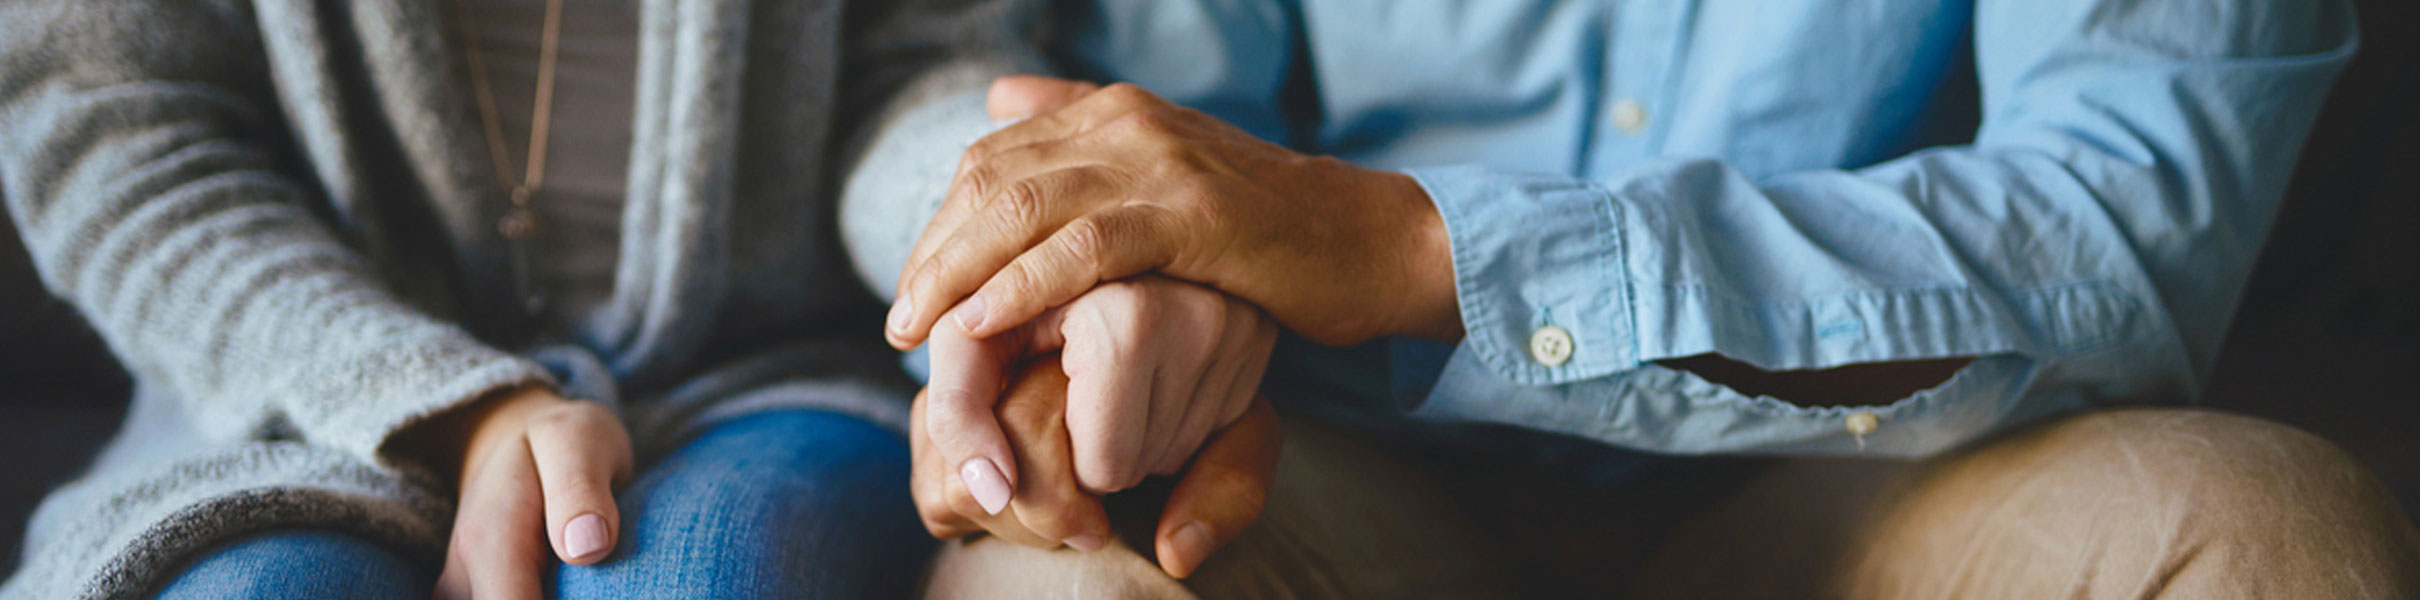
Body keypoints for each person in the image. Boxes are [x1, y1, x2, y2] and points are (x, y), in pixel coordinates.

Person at [841, 0, 2420, 596]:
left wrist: (1407, 248)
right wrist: (1112, 322)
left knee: (2264, 536)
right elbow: (1140, 127)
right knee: (1065, 579)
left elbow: (2121, 235)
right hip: (1327, 461)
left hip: (1873, 479)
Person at [0, 0, 1035, 597]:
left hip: (764, 365)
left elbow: (921, 74)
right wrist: (442, 404)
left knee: (711, 577)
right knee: (262, 590)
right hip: (301, 381)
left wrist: (1002, 241)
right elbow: (122, 152)